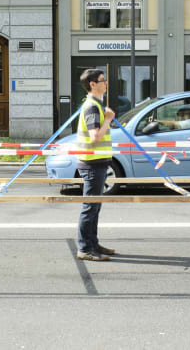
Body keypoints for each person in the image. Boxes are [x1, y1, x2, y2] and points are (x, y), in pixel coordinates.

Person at [76, 69, 116, 261]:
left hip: (97, 163)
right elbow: (94, 137)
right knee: (90, 207)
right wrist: (108, 120)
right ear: (93, 84)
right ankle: (85, 248)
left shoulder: (96, 105)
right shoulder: (92, 107)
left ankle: (93, 244)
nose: (106, 83)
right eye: (102, 80)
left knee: (95, 207)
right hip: (92, 163)